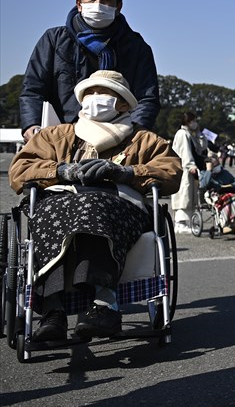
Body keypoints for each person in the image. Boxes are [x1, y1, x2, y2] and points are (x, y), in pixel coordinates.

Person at [8, 70, 181, 340]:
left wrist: (127, 173)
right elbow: (20, 169)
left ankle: (104, 302)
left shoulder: (144, 140)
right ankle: (53, 311)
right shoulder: (55, 136)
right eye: (89, 93)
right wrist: (62, 170)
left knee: (93, 207)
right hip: (61, 202)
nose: (94, 99)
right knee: (52, 212)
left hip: (119, 205)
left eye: (104, 93)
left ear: (123, 104)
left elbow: (171, 172)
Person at [20, 0, 160, 142]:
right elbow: (33, 90)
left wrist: (135, 133)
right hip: (61, 138)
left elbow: (147, 98)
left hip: (117, 138)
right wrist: (32, 125)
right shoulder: (54, 40)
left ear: (119, 7)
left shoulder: (137, 48)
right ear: (79, 3)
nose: (98, 4)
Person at [170, 111, 207, 234]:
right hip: (184, 170)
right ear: (189, 121)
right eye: (194, 121)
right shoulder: (182, 134)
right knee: (184, 195)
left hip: (188, 169)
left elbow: (201, 149)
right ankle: (181, 223)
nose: (196, 123)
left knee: (189, 195)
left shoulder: (189, 134)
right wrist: (190, 165)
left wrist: (200, 135)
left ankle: (186, 222)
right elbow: (184, 152)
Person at [199, 155, 235, 234]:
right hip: (214, 194)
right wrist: (209, 171)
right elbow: (204, 185)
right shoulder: (204, 173)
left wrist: (231, 186)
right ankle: (225, 224)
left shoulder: (224, 172)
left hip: (228, 192)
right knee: (227, 199)